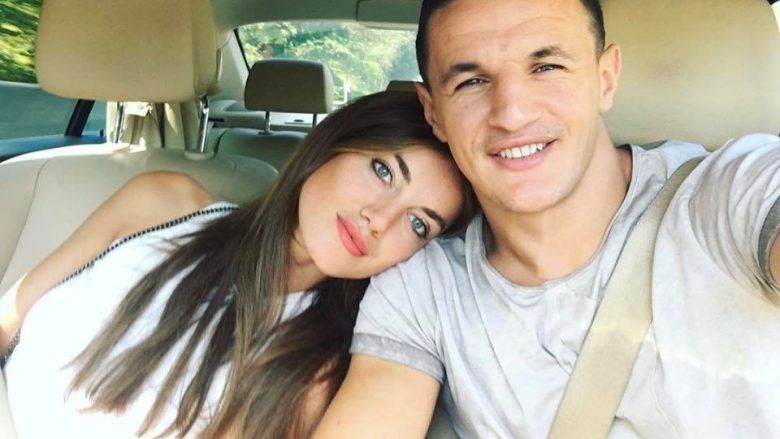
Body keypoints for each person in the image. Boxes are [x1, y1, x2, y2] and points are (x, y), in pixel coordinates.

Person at [315, 0, 780, 437]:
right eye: (472, 81)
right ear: (433, 111)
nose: (512, 114)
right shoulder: (421, 290)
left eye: (547, 67)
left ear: (605, 79)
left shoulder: (733, 192)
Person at [0, 91, 476, 438]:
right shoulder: (161, 202)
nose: (380, 220)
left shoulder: (316, 372)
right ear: (330, 145)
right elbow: (9, 316)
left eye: (418, 223)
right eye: (383, 171)